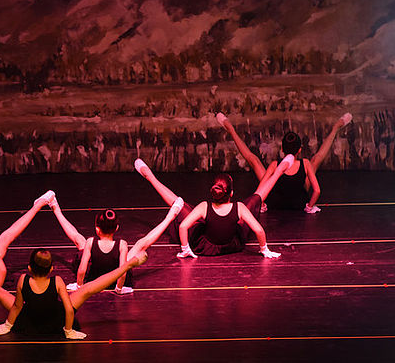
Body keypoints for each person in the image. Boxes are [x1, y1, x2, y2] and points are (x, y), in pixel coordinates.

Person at [0, 248, 148, 339]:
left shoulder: (23, 279)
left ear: (29, 268)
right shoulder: (57, 281)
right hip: (56, 321)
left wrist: (8, 325)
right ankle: (130, 263)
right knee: (89, 289)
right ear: (52, 269)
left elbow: (17, 306)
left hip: (28, 321)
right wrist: (68, 331)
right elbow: (68, 309)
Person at [135, 157, 291, 257]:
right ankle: (279, 171)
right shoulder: (239, 207)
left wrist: (185, 249)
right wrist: (264, 250)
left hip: (206, 247)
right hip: (231, 245)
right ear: (231, 193)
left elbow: (183, 227)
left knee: (179, 203)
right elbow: (259, 230)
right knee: (255, 199)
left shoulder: (204, 206)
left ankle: (149, 176)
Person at [47, 193, 184, 294]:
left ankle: (55, 207)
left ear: (97, 229)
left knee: (79, 239)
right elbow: (122, 271)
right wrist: (119, 289)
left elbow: (82, 269)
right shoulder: (122, 244)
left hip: (95, 281)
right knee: (141, 244)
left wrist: (79, 286)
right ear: (117, 228)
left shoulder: (90, 242)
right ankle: (171, 216)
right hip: (115, 280)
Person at [216, 111, 352, 212]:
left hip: (275, 202)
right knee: (316, 159)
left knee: (254, 161)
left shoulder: (275, 164)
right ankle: (336, 126)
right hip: (299, 203)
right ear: (300, 150)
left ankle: (230, 128)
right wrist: (309, 207)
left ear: (282, 149)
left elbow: (261, 188)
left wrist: (262, 204)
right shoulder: (305, 163)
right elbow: (317, 190)